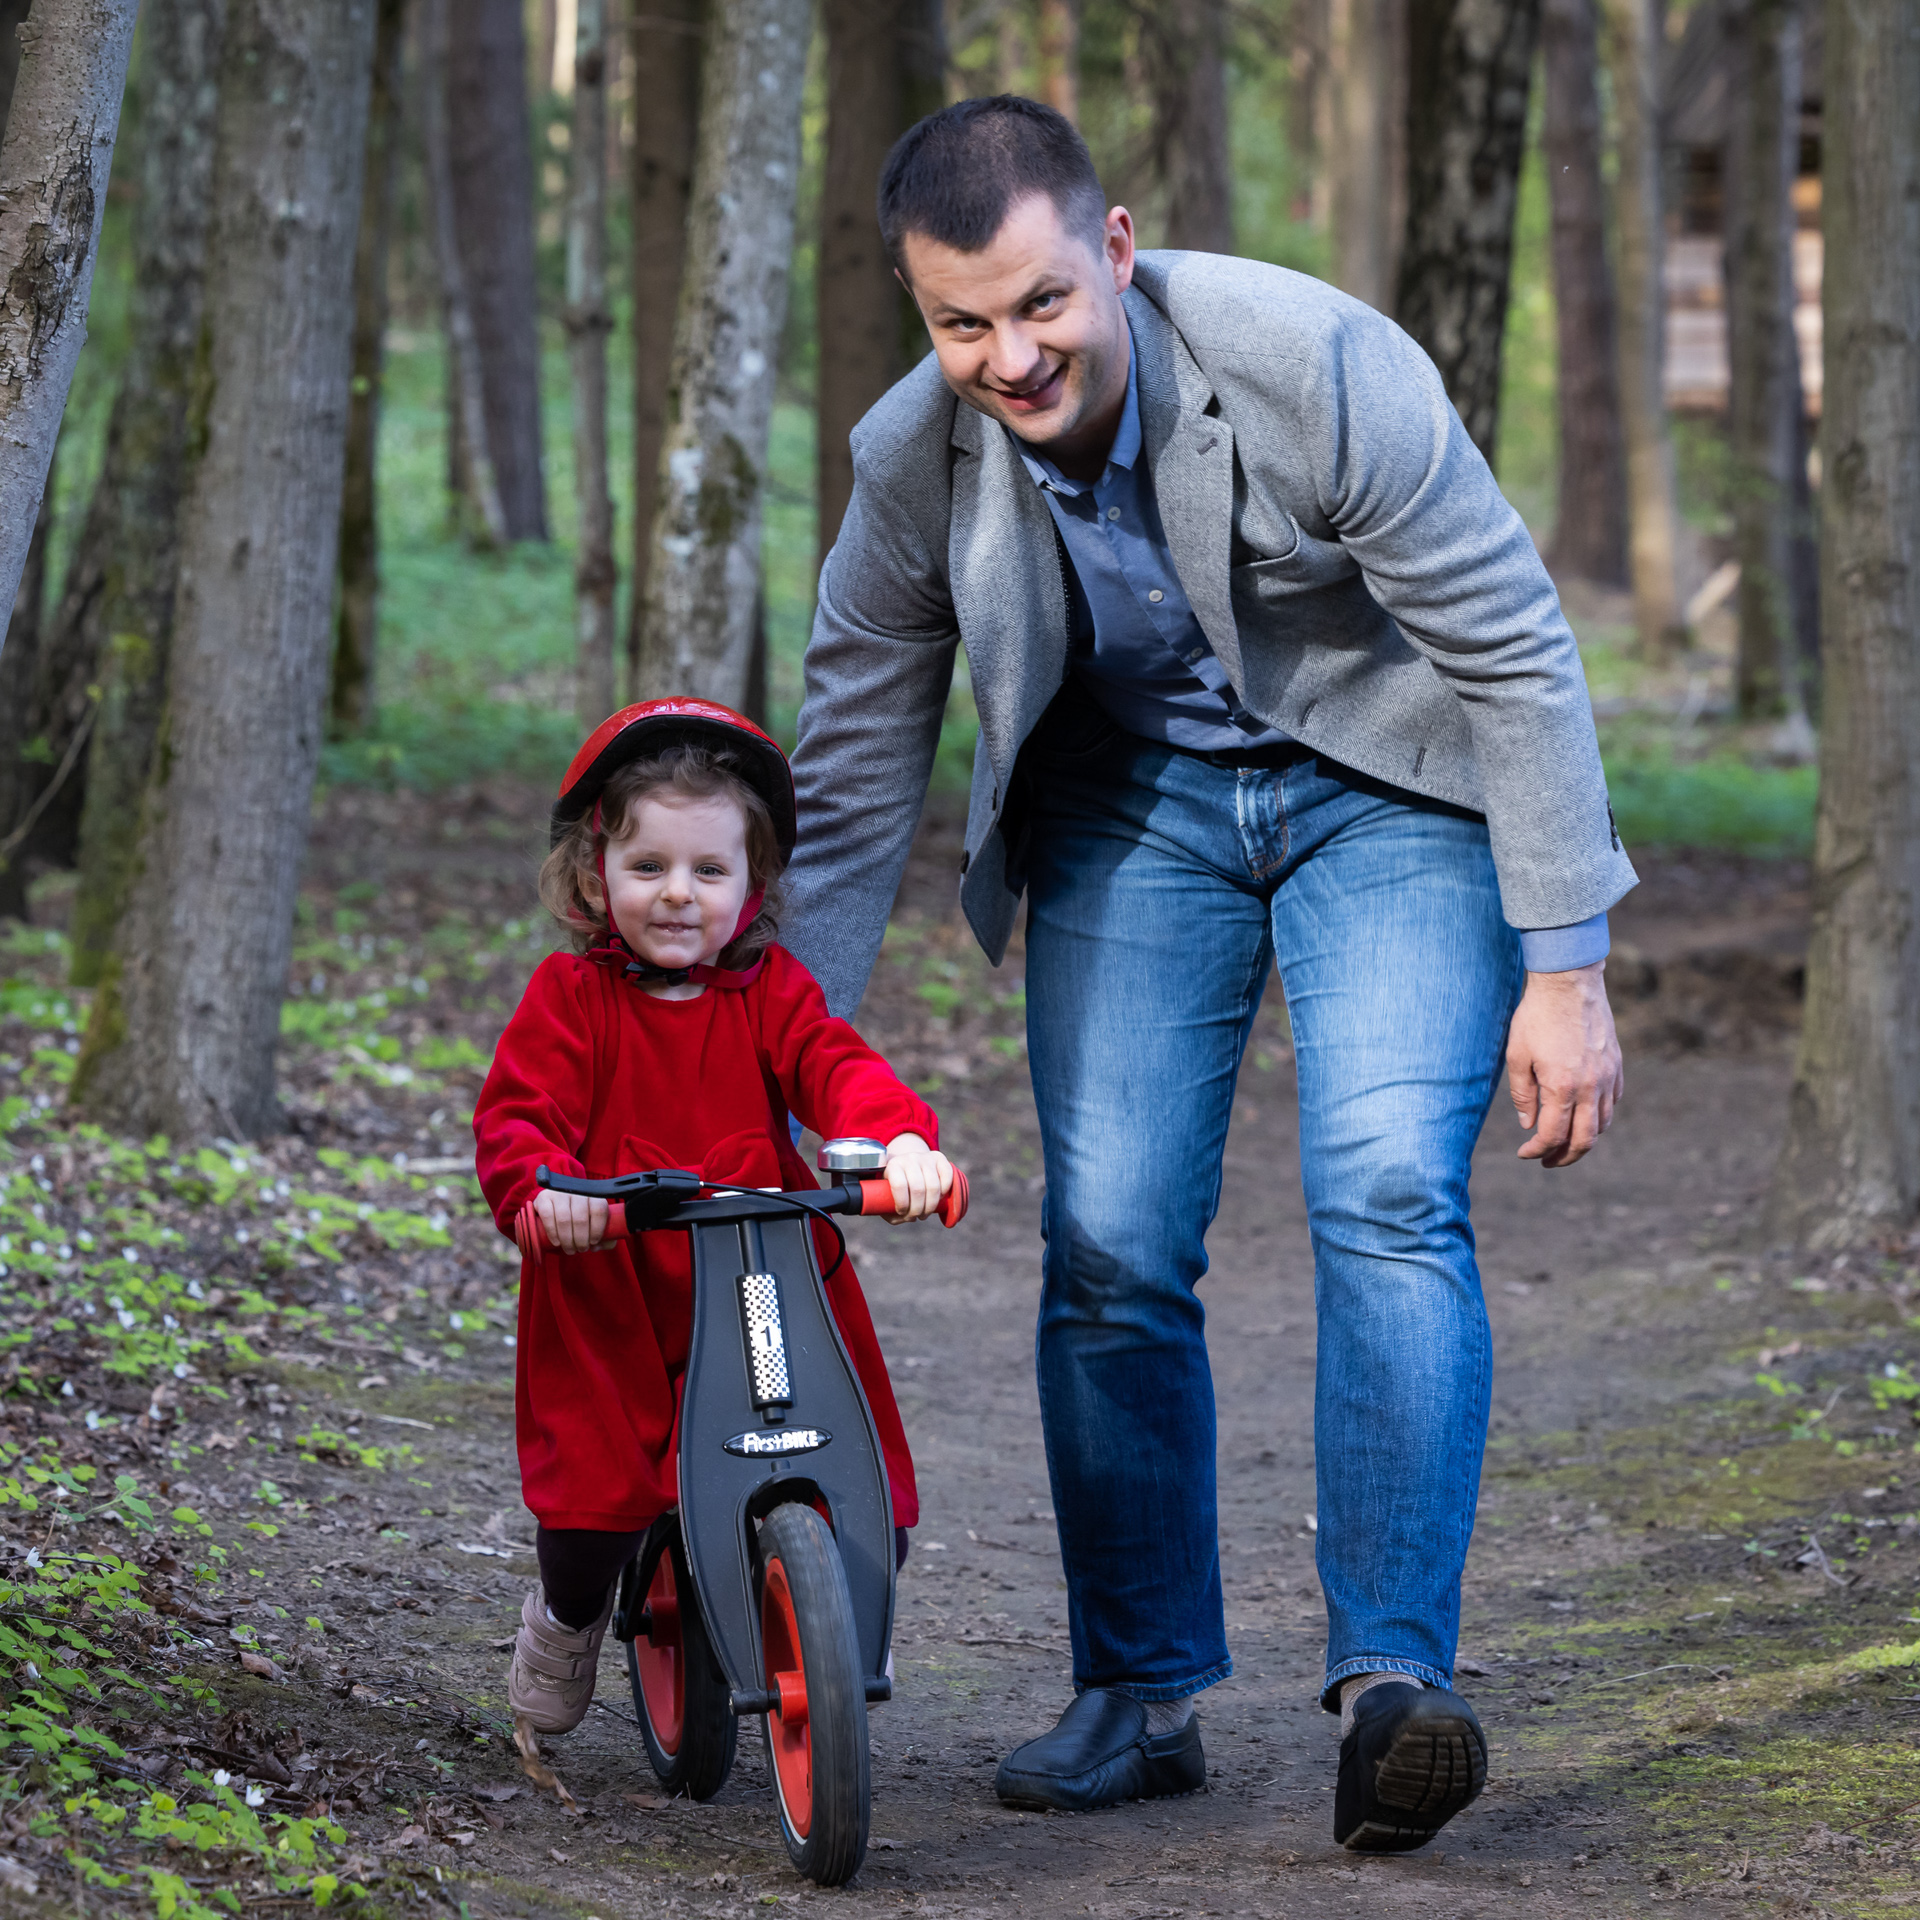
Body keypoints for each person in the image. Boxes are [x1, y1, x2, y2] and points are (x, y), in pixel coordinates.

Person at [779, 98, 1633, 1851]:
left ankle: (1394, 1682)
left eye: (1038, 304)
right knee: (1108, 1238)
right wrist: (779, 1042)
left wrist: (1569, 964)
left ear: (1114, 249)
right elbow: (857, 753)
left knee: (1390, 1190)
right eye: (960, 324)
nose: (1009, 356)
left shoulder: (1314, 360)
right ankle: (1136, 1691)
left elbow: (1515, 648)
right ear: (922, 318)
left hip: (1387, 789)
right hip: (1132, 810)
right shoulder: (912, 464)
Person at [473, 699, 954, 1739]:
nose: (678, 895)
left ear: (756, 883)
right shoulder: (572, 999)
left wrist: (898, 1145)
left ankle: (810, 1630)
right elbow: (519, 1115)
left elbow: (837, 1068)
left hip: (762, 1284)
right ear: (598, 872)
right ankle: (565, 1617)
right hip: (616, 1290)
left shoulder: (770, 994)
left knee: (860, 1491)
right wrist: (541, 1191)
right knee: (594, 1506)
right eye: (649, 867)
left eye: (708, 871)